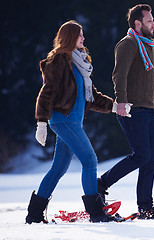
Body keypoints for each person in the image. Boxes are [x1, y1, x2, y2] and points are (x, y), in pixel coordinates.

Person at [26, 20, 121, 224]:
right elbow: (47, 92)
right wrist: (41, 122)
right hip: (63, 120)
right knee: (90, 161)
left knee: (58, 169)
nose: (83, 38)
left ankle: (34, 214)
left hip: (73, 123)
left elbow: (91, 97)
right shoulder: (59, 60)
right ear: (70, 37)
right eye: (80, 35)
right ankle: (96, 212)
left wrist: (115, 106)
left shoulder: (79, 63)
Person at [97, 4, 154, 219]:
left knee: (151, 159)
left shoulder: (149, 47)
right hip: (132, 109)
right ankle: (101, 184)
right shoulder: (128, 45)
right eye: (150, 20)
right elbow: (118, 76)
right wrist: (121, 102)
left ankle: (146, 207)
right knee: (141, 155)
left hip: (148, 110)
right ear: (137, 23)